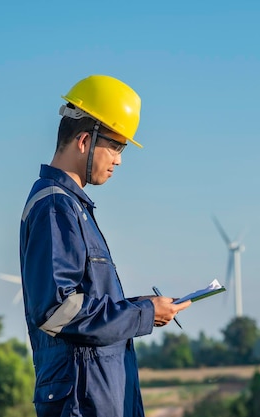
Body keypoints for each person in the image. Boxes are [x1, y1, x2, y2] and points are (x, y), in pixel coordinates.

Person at [19, 74, 191, 417]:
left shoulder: (71, 206)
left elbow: (81, 302)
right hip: (82, 402)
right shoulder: (55, 206)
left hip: (98, 395)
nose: (119, 160)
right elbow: (57, 311)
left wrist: (136, 307)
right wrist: (141, 314)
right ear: (84, 140)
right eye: (116, 146)